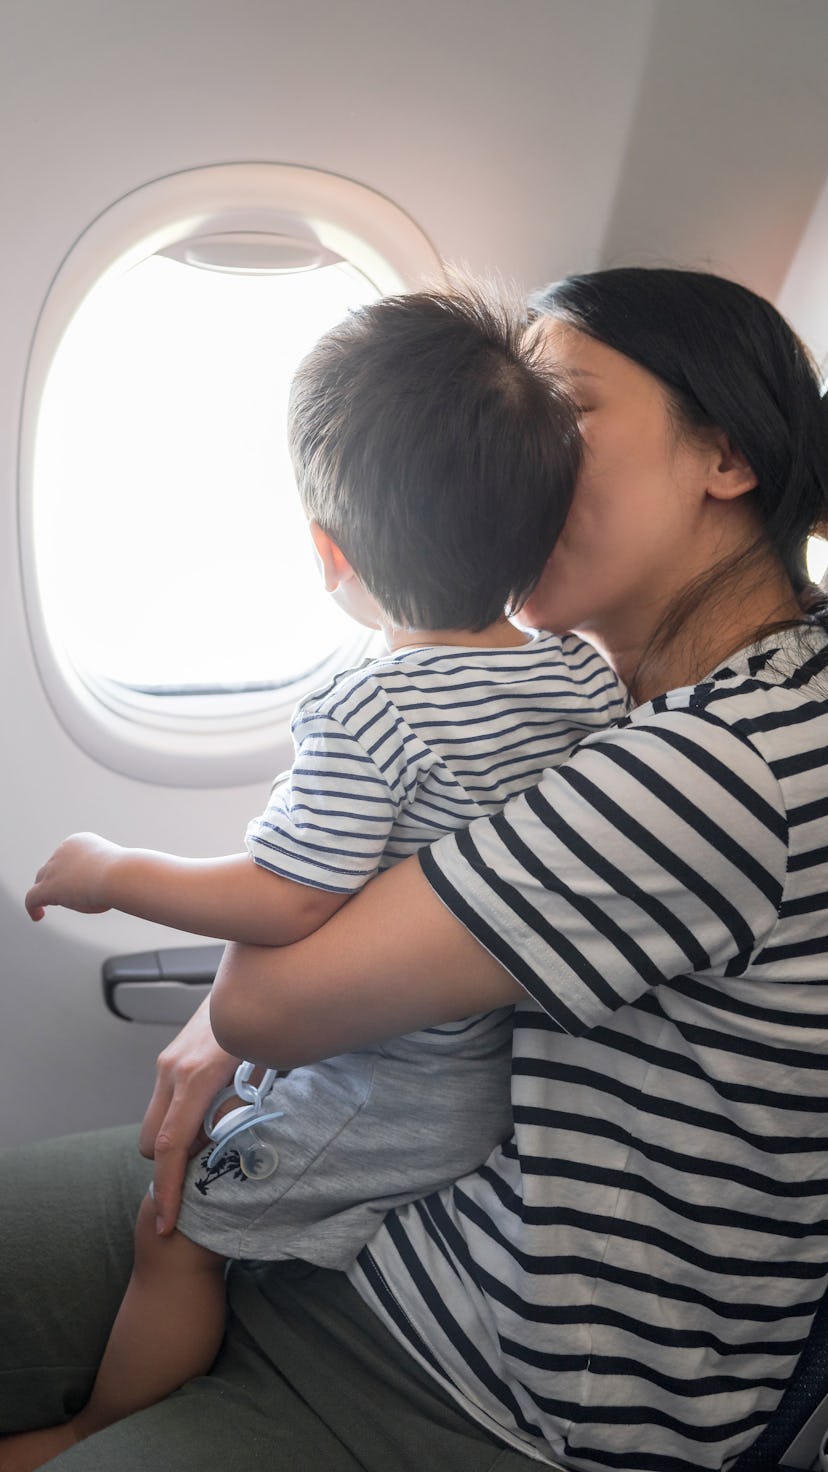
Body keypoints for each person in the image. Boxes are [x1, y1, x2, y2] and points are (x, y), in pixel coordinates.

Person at [1, 265, 826, 1472]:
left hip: (498, 1382)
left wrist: (234, 1006)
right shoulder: (620, 690)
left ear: (725, 456)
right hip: (400, 1211)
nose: (518, 448)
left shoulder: (725, 762)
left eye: (564, 407)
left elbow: (265, 996)